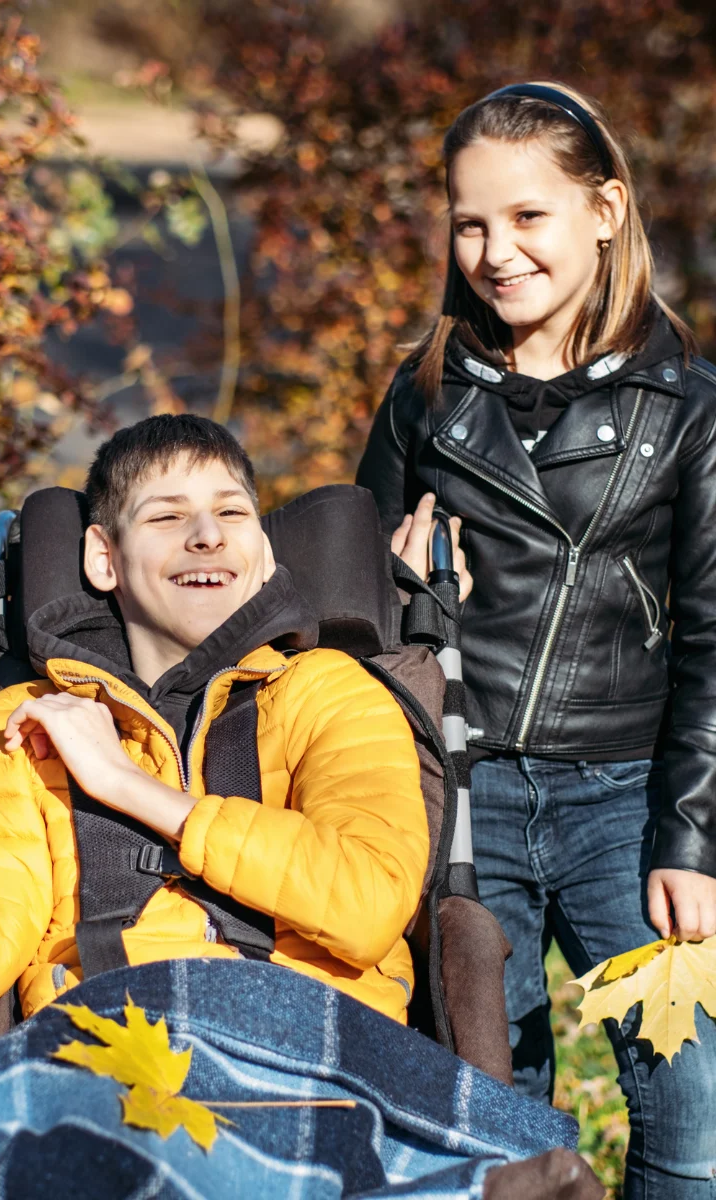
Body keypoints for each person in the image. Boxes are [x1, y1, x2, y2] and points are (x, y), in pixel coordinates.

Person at [0, 414, 594, 1200]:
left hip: (318, 1045)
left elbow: (368, 898)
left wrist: (130, 789)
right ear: (104, 557)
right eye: (168, 516)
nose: (207, 535)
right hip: (105, 1050)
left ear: (263, 554)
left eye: (231, 513)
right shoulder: (23, 724)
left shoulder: (333, 694)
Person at [357, 82, 716, 1199]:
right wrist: (398, 583)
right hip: (463, 799)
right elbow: (351, 616)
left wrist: (689, 838)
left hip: (627, 798)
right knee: (499, 1126)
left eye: (526, 218)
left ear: (603, 210)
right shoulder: (424, 399)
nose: (494, 252)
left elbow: (711, 635)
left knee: (692, 1118)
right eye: (469, 222)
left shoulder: (686, 406)